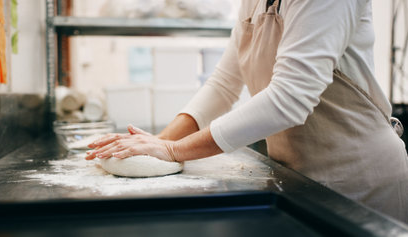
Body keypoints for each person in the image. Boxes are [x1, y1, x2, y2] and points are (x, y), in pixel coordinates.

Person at [86, 0, 408, 222]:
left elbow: (290, 98)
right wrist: (157, 144)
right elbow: (224, 83)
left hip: (359, 182)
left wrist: (174, 150)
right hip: (297, 178)